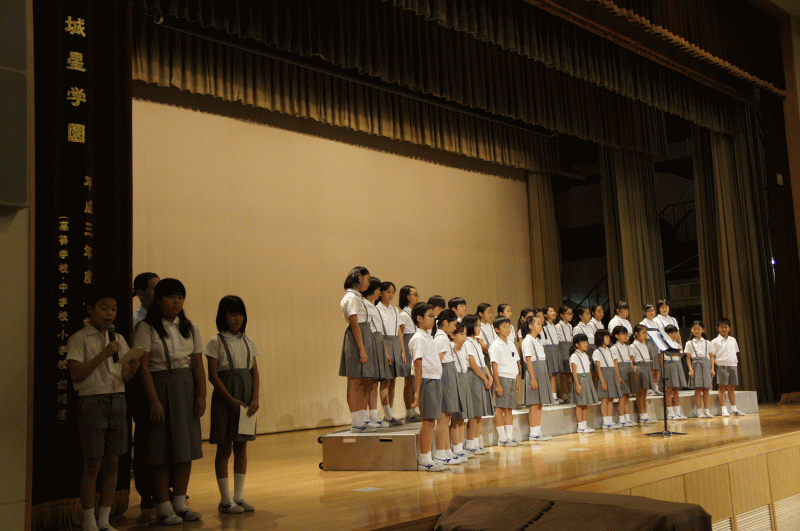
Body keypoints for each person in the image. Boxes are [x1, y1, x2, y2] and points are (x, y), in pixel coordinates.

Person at [68, 287, 140, 531]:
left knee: (113, 464)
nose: (110, 313)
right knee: (92, 464)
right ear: (90, 309)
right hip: (92, 401)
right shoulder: (79, 338)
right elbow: (76, 375)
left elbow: (124, 376)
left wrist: (132, 368)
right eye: (104, 308)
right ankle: (88, 521)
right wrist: (104, 354)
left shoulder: (118, 338)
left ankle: (104, 520)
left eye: (114, 309)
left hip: (118, 400)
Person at [134, 278, 205, 525]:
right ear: (158, 300)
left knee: (185, 449)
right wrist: (154, 400)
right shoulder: (146, 328)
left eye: (180, 297)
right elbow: (142, 366)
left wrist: (202, 395)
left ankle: (180, 504)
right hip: (159, 386)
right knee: (161, 450)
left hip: (185, 387)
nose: (176, 302)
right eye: (171, 297)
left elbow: (197, 363)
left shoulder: (191, 327)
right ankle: (163, 507)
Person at [206, 296, 260, 514]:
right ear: (223, 316)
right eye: (232, 314)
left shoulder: (248, 342)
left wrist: (255, 398)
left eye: (240, 314)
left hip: (245, 399)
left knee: (241, 446)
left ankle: (238, 497)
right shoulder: (215, 342)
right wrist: (230, 400)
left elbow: (255, 373)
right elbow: (213, 375)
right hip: (225, 398)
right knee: (224, 447)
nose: (237, 319)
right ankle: (225, 499)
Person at [129, 272, 159, 508]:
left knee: (164, 436)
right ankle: (145, 489)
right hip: (139, 382)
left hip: (164, 381)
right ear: (140, 293)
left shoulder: (167, 319)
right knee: (145, 437)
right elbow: (130, 355)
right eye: (155, 289)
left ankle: (165, 486)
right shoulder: (133, 320)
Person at [338, 267, 375, 432]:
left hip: (363, 336)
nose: (368, 283)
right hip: (356, 339)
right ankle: (356, 422)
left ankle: (361, 419)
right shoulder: (351, 297)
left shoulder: (358, 297)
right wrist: (361, 349)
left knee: (361, 381)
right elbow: (354, 323)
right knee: (354, 381)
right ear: (359, 277)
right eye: (367, 278)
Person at [409, 303, 444, 471]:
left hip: (434, 379)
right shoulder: (418, 338)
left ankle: (428, 457)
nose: (433, 319)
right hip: (426, 380)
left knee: (432, 419)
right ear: (419, 318)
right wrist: (417, 391)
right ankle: (424, 459)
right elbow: (418, 365)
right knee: (428, 420)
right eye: (430, 316)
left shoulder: (428, 336)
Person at [433, 310, 464, 465]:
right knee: (443, 416)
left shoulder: (443, 337)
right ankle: (440, 453)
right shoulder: (441, 338)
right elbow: (438, 361)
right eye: (453, 324)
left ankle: (446, 450)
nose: (455, 328)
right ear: (445, 323)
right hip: (444, 374)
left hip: (448, 372)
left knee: (447, 415)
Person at [362, 277, 392, 429]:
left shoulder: (373, 307)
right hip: (370, 342)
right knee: (368, 382)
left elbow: (379, 332)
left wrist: (385, 351)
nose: (380, 292)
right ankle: (364, 417)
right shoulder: (364, 305)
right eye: (378, 289)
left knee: (375, 381)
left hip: (378, 342)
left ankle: (374, 415)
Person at [463, 314, 492, 455]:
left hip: (482, 374)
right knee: (474, 413)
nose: (479, 328)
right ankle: (470, 444)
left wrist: (489, 376)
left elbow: (482, 362)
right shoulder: (467, 342)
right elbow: (472, 363)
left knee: (480, 413)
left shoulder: (476, 342)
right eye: (476, 325)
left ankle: (475, 442)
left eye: (480, 325)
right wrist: (484, 378)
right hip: (474, 376)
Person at [377, 281, 405, 424]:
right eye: (388, 291)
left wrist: (402, 351)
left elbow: (399, 331)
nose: (391, 295)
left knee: (393, 380)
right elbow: (378, 333)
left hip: (395, 343)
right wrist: (385, 351)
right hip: (384, 342)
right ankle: (387, 414)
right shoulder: (377, 309)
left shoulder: (394, 310)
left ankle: (391, 413)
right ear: (380, 292)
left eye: (393, 292)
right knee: (385, 380)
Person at [521, 316, 553, 441]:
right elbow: (528, 360)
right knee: (534, 403)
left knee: (540, 403)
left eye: (541, 324)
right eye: (538, 324)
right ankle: (533, 433)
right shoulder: (527, 340)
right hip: (534, 371)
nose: (541, 326)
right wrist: (533, 379)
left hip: (541, 369)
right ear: (530, 326)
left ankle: (538, 431)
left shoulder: (537, 340)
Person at [490, 316, 520, 446]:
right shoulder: (495, 345)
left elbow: (516, 363)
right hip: (502, 378)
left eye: (509, 326)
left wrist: (517, 381)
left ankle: (509, 437)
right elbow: (494, 366)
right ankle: (502, 438)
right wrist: (497, 385)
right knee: (500, 409)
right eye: (504, 326)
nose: (507, 329)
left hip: (512, 378)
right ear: (497, 329)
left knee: (509, 409)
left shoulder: (511, 344)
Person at [450, 321, 474, 459]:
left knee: (462, 417)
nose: (464, 337)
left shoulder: (464, 347)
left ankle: (460, 446)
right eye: (461, 334)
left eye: (465, 334)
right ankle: (455, 447)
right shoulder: (450, 347)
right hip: (455, 379)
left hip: (463, 377)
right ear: (453, 335)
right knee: (456, 416)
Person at [712, 318, 745, 417]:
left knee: (731, 388)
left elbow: (735, 352)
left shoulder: (733, 340)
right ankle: (724, 409)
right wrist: (714, 367)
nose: (724, 329)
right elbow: (712, 356)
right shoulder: (715, 341)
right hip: (722, 366)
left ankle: (734, 409)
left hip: (733, 365)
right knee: (722, 388)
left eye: (725, 327)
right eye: (721, 327)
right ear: (718, 328)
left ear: (729, 328)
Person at [399, 285, 421, 422]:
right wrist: (402, 351)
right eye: (415, 295)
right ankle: (409, 411)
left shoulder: (413, 313)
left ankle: (413, 409)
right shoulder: (403, 314)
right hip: (408, 346)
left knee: (414, 379)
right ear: (407, 297)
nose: (418, 297)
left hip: (415, 346)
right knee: (408, 379)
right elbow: (400, 334)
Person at [593, 330, 623, 430]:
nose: (608, 339)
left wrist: (618, 377)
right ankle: (605, 421)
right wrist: (602, 382)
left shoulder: (611, 350)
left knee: (611, 398)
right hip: (604, 374)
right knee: (605, 399)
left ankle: (610, 420)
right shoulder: (597, 352)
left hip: (612, 373)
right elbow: (598, 368)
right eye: (606, 337)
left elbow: (615, 365)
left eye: (609, 337)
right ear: (600, 338)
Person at [685, 320, 714, 418]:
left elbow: (711, 357)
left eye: (698, 329)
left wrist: (712, 369)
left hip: (706, 364)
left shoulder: (707, 342)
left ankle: (707, 410)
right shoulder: (689, 343)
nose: (696, 331)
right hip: (696, 364)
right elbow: (688, 358)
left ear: (703, 330)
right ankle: (699, 411)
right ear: (691, 330)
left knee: (706, 389)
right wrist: (690, 369)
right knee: (697, 389)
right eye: (694, 329)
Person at [570, 333, 598, 433]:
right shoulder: (574, 356)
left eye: (587, 342)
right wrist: (577, 384)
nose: (586, 344)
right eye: (583, 342)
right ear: (577, 344)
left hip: (587, 378)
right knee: (580, 404)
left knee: (586, 404)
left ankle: (585, 424)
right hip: (580, 379)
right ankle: (580, 426)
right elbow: (574, 371)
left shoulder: (585, 355)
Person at [610, 326, 636, 427]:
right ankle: (621, 419)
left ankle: (628, 418)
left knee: (627, 395)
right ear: (616, 336)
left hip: (628, 369)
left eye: (626, 334)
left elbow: (631, 361)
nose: (625, 336)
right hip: (621, 370)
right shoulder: (614, 348)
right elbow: (615, 363)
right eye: (623, 334)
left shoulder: (628, 347)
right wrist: (618, 376)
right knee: (622, 396)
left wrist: (633, 372)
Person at [630, 325, 656, 424]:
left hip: (646, 367)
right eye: (643, 333)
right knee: (640, 392)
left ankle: (645, 412)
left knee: (645, 392)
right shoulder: (633, 346)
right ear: (636, 334)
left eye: (646, 333)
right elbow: (631, 361)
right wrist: (634, 372)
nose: (645, 335)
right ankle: (641, 414)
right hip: (639, 368)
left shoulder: (644, 345)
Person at [662, 324, 688, 420]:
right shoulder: (663, 344)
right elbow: (661, 358)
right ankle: (670, 413)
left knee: (676, 390)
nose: (674, 335)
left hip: (677, 365)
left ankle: (677, 412)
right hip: (668, 365)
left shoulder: (677, 345)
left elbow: (680, 355)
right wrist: (664, 368)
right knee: (669, 390)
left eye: (675, 333)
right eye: (671, 333)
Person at [640, 304, 662, 395]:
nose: (651, 313)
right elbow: (642, 337)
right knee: (651, 368)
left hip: (656, 345)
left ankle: (656, 388)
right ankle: (650, 388)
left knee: (657, 368)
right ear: (644, 312)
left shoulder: (656, 322)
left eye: (653, 310)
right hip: (648, 344)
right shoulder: (643, 323)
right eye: (649, 311)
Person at [541, 306, 561, 404]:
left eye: (554, 311)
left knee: (554, 374)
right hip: (547, 349)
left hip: (555, 349)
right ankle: (549, 396)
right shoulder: (543, 327)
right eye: (550, 311)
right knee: (549, 373)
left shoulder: (555, 326)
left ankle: (554, 396)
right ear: (545, 315)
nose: (553, 312)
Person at [556, 306, 574, 401]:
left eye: (571, 313)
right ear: (562, 315)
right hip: (562, 348)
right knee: (563, 374)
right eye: (568, 313)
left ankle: (570, 392)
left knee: (570, 373)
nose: (570, 315)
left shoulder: (570, 326)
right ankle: (564, 393)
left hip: (569, 347)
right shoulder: (558, 326)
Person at [477, 303, 496, 369]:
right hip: (486, 354)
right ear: (481, 313)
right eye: (488, 312)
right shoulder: (478, 326)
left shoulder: (491, 326)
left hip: (493, 352)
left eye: (491, 312)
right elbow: (482, 345)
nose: (491, 315)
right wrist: (492, 354)